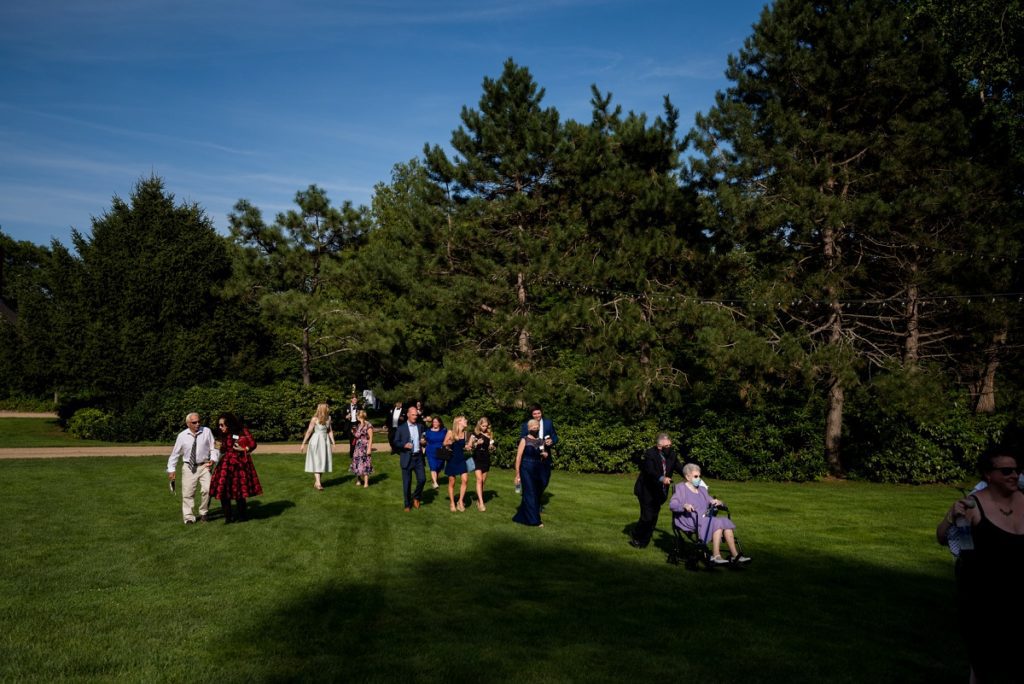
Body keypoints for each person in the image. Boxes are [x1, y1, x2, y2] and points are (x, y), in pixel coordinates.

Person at [936, 444, 1024, 683]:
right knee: (986, 664)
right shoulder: (972, 506)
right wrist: (949, 517)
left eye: (1016, 470)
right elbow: (943, 538)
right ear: (989, 474)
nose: (1014, 475)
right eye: (1006, 471)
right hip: (984, 599)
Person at [668, 463, 750, 564]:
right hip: (690, 518)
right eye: (696, 476)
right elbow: (673, 504)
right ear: (687, 476)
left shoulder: (701, 489)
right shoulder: (681, 488)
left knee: (724, 521)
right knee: (715, 521)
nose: (698, 479)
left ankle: (735, 555)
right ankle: (716, 555)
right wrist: (684, 505)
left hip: (704, 517)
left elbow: (710, 500)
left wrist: (717, 502)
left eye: (699, 476)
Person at [630, 432, 684, 548]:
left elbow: (679, 467)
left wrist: (691, 474)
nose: (669, 448)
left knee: (653, 517)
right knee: (647, 517)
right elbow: (649, 471)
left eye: (670, 446)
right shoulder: (650, 454)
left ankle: (643, 542)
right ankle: (636, 535)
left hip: (660, 492)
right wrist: (662, 478)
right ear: (659, 446)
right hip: (646, 490)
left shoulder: (672, 455)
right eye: (667, 447)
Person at [166, 412, 218, 524]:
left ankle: (204, 513)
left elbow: (214, 448)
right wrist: (171, 469)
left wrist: (213, 459)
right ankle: (189, 518)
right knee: (188, 493)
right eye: (194, 422)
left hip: (204, 466)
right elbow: (175, 454)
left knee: (208, 489)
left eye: (199, 421)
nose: (198, 424)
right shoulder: (182, 436)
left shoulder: (207, 431)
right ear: (188, 423)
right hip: (189, 467)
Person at [210, 412, 262, 524]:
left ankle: (242, 516)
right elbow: (217, 449)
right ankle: (228, 518)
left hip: (240, 464)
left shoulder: (241, 431)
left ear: (229, 424)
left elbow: (253, 444)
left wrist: (244, 448)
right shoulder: (219, 435)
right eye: (219, 425)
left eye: (222, 425)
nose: (220, 427)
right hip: (225, 465)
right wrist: (213, 458)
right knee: (224, 492)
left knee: (239, 492)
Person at [391, 405, 426, 511]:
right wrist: (404, 445)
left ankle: (416, 496)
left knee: (422, 479)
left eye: (416, 415)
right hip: (407, 458)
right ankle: (407, 504)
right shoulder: (401, 428)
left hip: (418, 457)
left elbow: (423, 438)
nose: (415, 417)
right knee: (407, 483)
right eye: (413, 415)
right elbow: (395, 442)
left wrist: (423, 442)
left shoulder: (420, 426)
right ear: (408, 415)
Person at [513, 418, 546, 527]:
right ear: (529, 428)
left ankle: (523, 516)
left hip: (537, 469)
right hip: (526, 468)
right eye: (533, 427)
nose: (535, 429)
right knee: (530, 492)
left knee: (535, 493)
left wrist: (545, 455)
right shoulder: (524, 440)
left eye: (537, 427)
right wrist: (517, 473)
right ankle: (535, 520)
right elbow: (518, 457)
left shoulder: (541, 441)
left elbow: (542, 455)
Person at [520, 404, 558, 489]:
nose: (537, 415)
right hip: (532, 456)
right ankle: (533, 497)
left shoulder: (548, 423)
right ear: (531, 415)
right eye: (535, 414)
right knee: (532, 480)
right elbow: (522, 439)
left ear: (541, 412)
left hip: (545, 455)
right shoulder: (526, 425)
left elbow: (555, 437)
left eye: (539, 413)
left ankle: (536, 495)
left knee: (545, 479)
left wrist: (551, 441)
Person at [300, 402, 334, 491]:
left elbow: (329, 431)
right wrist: (303, 443)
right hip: (316, 441)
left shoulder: (329, 418)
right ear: (323, 409)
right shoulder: (314, 419)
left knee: (322, 461)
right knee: (316, 461)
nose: (328, 409)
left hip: (325, 441)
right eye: (327, 407)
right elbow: (309, 431)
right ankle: (318, 483)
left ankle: (317, 482)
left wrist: (333, 442)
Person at [467, 416, 496, 512]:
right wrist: (476, 443)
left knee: (482, 481)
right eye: (483, 426)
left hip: (486, 458)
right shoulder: (474, 434)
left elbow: (490, 446)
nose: (485, 428)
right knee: (479, 480)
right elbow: (469, 447)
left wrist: (492, 447)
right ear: (479, 425)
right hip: (477, 458)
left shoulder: (489, 434)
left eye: (486, 426)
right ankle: (481, 502)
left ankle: (479, 499)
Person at [444, 416, 470, 512]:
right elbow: (444, 443)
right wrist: (449, 442)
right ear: (459, 422)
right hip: (452, 460)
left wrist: (467, 447)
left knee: (465, 480)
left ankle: (460, 501)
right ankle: (452, 502)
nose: (466, 421)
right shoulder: (451, 432)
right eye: (464, 420)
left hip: (461, 459)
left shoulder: (465, 434)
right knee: (452, 482)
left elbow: (465, 446)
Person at [349, 410, 374, 488]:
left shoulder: (368, 425)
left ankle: (366, 482)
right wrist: (353, 432)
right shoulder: (358, 425)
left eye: (357, 415)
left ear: (360, 416)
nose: (356, 417)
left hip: (365, 446)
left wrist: (369, 448)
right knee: (357, 462)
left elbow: (370, 438)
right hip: (358, 446)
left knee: (365, 463)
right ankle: (358, 480)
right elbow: (357, 435)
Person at [424, 416, 448, 490]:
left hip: (441, 451)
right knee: (433, 466)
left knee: (438, 467)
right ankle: (435, 482)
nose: (435, 423)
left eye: (436, 422)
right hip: (430, 451)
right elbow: (424, 440)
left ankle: (435, 480)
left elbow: (448, 438)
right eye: (434, 422)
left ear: (440, 423)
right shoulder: (428, 431)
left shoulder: (444, 431)